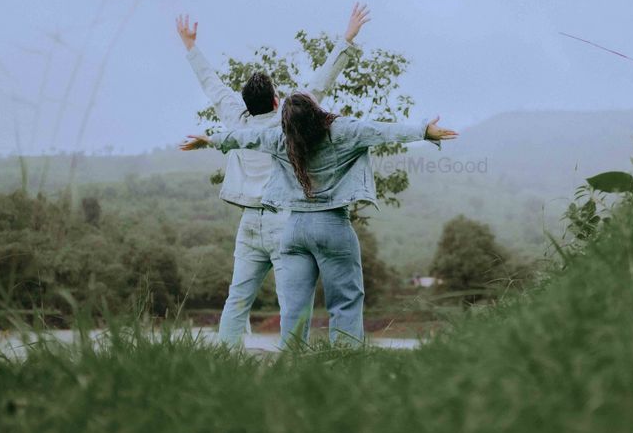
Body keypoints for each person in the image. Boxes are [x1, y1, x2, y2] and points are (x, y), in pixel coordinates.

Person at [181, 96, 458, 346]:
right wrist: (423, 131)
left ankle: (292, 364)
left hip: (294, 232)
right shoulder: (341, 131)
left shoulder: (281, 139)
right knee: (345, 301)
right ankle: (344, 360)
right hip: (332, 226)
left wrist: (209, 140)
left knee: (294, 309)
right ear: (315, 111)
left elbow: (246, 138)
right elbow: (382, 131)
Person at [175, 3, 371, 347]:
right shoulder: (290, 120)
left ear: (246, 104)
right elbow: (323, 81)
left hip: (250, 222)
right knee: (292, 302)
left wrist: (190, 46)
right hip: (284, 221)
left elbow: (212, 85)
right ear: (277, 99)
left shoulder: (237, 121)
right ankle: (293, 359)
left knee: (237, 299)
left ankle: (225, 359)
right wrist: (347, 38)